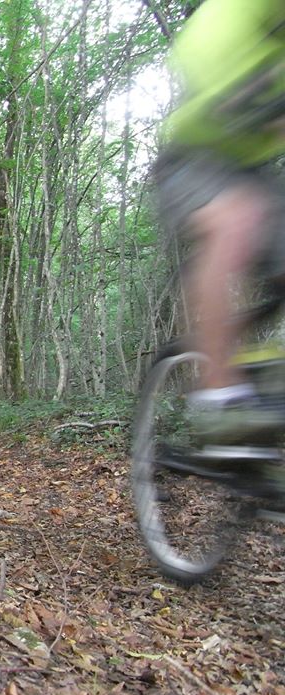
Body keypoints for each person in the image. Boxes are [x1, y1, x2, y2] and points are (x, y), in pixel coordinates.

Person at [156, 0, 285, 448]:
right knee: (238, 216)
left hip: (259, 171)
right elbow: (201, 55)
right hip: (193, 159)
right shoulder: (239, 11)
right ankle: (218, 396)